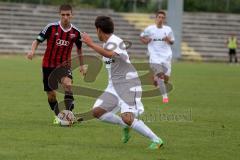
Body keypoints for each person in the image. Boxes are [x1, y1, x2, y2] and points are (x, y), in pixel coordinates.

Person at [81, 16, 163, 149]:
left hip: (128, 85)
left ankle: (157, 140)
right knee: (97, 112)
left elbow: (111, 55)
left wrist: (90, 44)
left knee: (127, 117)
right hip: (114, 86)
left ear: (99, 30)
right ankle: (125, 125)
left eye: (96, 30)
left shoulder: (116, 41)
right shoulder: (107, 44)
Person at [27, 4, 85, 124]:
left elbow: (79, 49)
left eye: (68, 15)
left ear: (71, 15)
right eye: (63, 15)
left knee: (68, 85)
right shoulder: (51, 27)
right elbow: (37, 40)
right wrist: (32, 50)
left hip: (64, 65)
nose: (65, 17)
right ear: (60, 15)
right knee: (51, 95)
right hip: (48, 65)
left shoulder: (76, 32)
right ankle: (59, 115)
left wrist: (82, 65)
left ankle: (68, 115)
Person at [140, 10, 174, 103]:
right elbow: (142, 37)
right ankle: (165, 97)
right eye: (159, 17)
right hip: (154, 55)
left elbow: (172, 42)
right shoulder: (149, 29)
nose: (161, 19)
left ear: (164, 19)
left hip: (166, 56)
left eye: (163, 18)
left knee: (166, 78)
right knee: (160, 74)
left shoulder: (168, 29)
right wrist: (146, 41)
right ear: (156, 18)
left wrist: (168, 40)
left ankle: (155, 80)